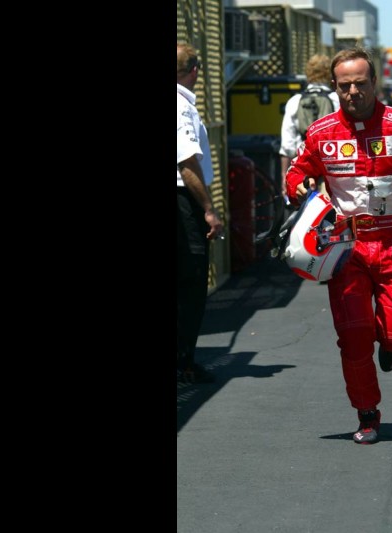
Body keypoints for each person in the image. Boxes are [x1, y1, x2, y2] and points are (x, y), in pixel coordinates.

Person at [284, 47, 392, 444]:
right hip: (346, 251)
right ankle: (367, 413)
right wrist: (301, 186)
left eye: (361, 83)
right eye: (344, 86)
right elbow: (296, 172)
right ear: (335, 87)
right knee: (354, 336)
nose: (353, 92)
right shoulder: (322, 132)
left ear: (375, 83)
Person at [177, 42, 225, 384]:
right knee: (191, 282)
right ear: (194, 71)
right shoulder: (181, 107)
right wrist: (208, 208)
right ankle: (184, 362)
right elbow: (187, 161)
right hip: (183, 202)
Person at [279, 54, 340, 200]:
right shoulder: (337, 99)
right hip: (332, 166)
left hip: (304, 166)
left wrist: (285, 178)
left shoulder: (295, 101)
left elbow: (287, 145)